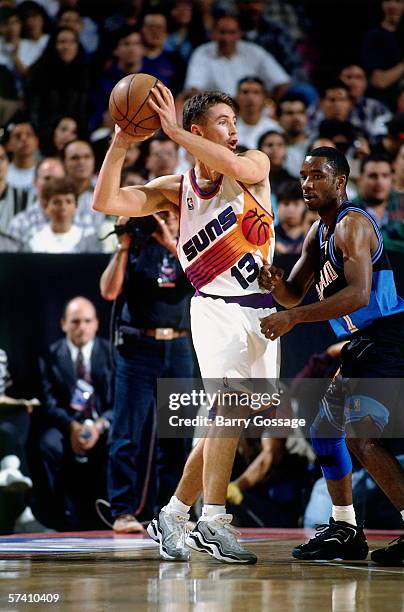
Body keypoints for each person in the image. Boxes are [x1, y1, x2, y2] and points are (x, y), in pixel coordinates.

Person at [92, 86, 279, 564]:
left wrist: (175, 132)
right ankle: (213, 520)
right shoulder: (176, 189)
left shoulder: (254, 165)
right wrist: (121, 140)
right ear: (198, 130)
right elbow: (105, 201)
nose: (234, 130)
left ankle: (173, 514)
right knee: (231, 405)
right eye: (222, 122)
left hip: (262, 310)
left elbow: (239, 167)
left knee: (239, 415)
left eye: (235, 121)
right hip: (214, 306)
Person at [258, 146, 404, 565]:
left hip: (389, 336)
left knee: (362, 435)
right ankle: (345, 528)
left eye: (317, 176)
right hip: (364, 342)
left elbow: (358, 293)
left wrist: (295, 319)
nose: (307, 183)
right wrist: (273, 283)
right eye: (304, 176)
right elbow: (292, 291)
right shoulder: (317, 232)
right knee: (325, 429)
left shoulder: (352, 225)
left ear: (340, 182)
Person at [100, 213, 194, 533]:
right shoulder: (136, 246)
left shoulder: (189, 246)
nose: (165, 220)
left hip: (179, 347)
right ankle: (123, 511)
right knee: (127, 432)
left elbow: (200, 282)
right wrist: (123, 246)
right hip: (139, 347)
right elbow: (109, 291)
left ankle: (170, 513)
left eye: (171, 214)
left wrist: (171, 241)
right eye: (159, 215)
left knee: (176, 436)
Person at [34, 297, 113, 530]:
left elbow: (121, 402)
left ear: (96, 323)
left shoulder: (111, 353)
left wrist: (99, 426)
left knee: (120, 443)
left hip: (102, 424)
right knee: (48, 444)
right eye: (75, 322)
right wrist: (72, 427)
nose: (82, 327)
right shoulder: (49, 356)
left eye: (87, 321)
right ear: (63, 324)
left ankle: (114, 512)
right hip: (65, 425)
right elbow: (48, 403)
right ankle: (56, 516)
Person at [184, 13, 290, 98]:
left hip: (251, 114)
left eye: (232, 33)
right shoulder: (202, 53)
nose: (226, 38)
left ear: (240, 34)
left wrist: (268, 103)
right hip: (216, 114)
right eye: (222, 32)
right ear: (213, 33)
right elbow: (193, 89)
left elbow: (282, 82)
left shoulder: (254, 52)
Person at [27, 176, 100, 254]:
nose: (63, 207)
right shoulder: (34, 238)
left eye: (68, 201)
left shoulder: (89, 237)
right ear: (45, 206)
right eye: (57, 202)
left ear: (76, 206)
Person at [235, 76, 282, 150]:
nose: (250, 97)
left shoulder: (275, 129)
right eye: (245, 92)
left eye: (256, 92)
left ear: (264, 97)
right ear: (236, 97)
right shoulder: (227, 128)